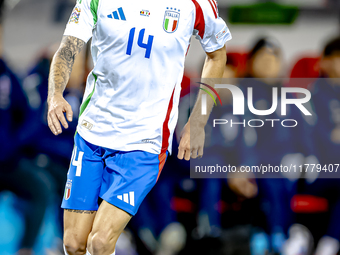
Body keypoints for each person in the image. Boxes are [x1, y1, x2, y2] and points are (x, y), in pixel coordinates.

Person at [47, 1, 231, 254]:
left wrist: (198, 120)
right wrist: (55, 94)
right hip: (92, 134)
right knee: (73, 243)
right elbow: (68, 47)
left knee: (100, 243)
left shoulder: (195, 4)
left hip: (144, 143)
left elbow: (217, 54)